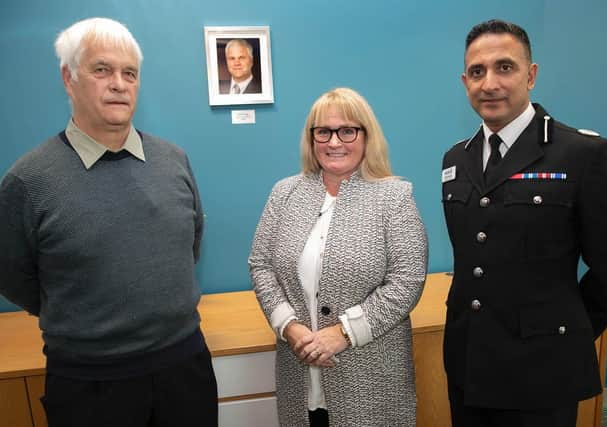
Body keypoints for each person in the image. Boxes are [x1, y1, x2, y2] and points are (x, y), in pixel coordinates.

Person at [0, 18, 218, 427]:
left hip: (185, 368)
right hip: (90, 385)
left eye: (129, 73)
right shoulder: (28, 180)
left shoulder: (174, 161)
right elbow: (13, 277)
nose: (119, 83)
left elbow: (190, 247)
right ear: (69, 78)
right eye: (102, 70)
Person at [441, 19, 607, 427]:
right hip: (467, 364)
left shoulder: (582, 154)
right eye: (477, 72)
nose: (489, 83)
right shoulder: (455, 160)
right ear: (465, 82)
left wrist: (565, 332)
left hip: (542, 370)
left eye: (505, 67)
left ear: (531, 75)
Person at [249, 87, 427, 426]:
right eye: (323, 132)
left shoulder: (394, 196)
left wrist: (342, 334)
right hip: (298, 374)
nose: (334, 142)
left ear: (366, 136)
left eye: (347, 131)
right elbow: (261, 265)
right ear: (311, 138)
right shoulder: (285, 193)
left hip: (371, 381)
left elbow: (407, 280)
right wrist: (289, 326)